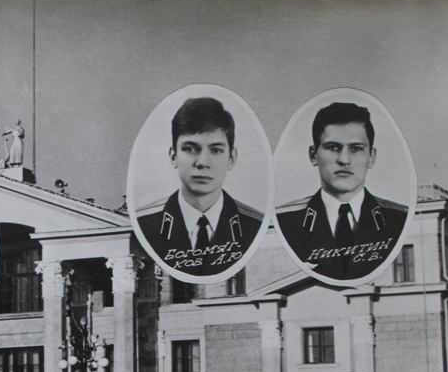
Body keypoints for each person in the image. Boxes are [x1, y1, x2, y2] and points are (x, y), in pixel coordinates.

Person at [275, 102, 408, 281]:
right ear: (314, 155)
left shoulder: (399, 220)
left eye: (356, 149)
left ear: (371, 157)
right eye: (333, 147)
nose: (344, 160)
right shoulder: (284, 222)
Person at [136, 97, 263, 278]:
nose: (202, 162)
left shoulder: (256, 226)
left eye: (216, 150)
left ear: (231, 158)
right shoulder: (145, 224)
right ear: (173, 156)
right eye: (190, 149)